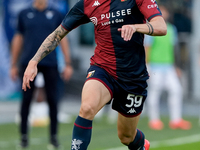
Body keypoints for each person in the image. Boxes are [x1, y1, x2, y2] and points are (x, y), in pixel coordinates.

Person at [22, 0, 167, 149]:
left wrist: (136, 27)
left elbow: (161, 27)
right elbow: (58, 34)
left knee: (126, 136)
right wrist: (34, 61)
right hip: (102, 69)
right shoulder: (87, 4)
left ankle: (141, 144)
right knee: (87, 108)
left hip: (133, 77)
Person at [10, 0, 73, 148]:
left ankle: (53, 137)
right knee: (26, 100)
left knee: (53, 100)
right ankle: (24, 137)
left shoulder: (56, 14)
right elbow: (18, 38)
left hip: (50, 62)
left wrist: (68, 63)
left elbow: (62, 39)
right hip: (28, 63)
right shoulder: (24, 14)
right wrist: (13, 64)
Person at [144, 5, 191, 130]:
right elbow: (147, 48)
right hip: (155, 66)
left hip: (169, 66)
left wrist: (176, 66)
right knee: (155, 93)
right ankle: (154, 120)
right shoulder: (151, 29)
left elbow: (173, 49)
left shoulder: (171, 29)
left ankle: (176, 120)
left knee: (176, 90)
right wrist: (146, 65)